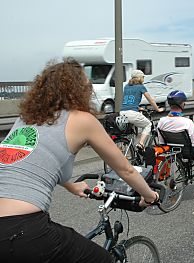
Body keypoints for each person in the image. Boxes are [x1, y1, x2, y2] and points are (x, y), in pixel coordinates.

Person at [0, 58, 159, 263]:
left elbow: (30, 163)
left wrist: (71, 186)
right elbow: (126, 170)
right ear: (78, 90)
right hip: (23, 230)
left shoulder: (25, 119)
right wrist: (149, 195)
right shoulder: (82, 120)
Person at [120, 69, 164, 150]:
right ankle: (141, 144)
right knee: (148, 125)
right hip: (132, 113)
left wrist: (138, 107)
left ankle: (131, 152)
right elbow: (150, 100)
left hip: (122, 113)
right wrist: (157, 109)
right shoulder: (141, 87)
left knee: (131, 132)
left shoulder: (126, 86)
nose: (143, 79)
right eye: (143, 77)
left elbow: (128, 100)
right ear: (140, 78)